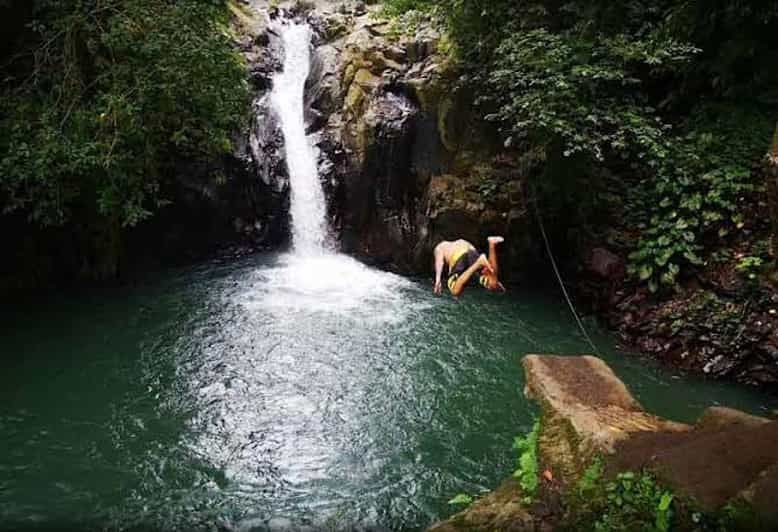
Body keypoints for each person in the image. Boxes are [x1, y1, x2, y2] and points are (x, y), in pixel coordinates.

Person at [433, 236, 506, 296]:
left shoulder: (440, 247)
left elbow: (439, 262)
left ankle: (478, 263)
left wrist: (438, 280)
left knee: (455, 291)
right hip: (471, 252)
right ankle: (492, 244)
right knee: (491, 279)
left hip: (458, 257)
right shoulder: (459, 240)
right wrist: (495, 283)